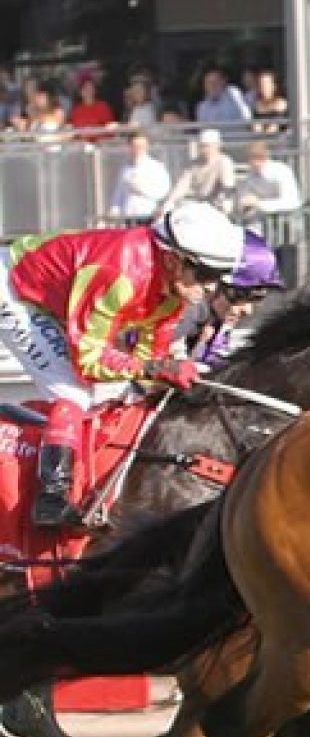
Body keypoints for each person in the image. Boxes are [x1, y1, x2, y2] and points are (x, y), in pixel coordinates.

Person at [0, 202, 245, 527]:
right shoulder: (120, 274)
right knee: (74, 390)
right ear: (173, 258)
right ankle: (51, 497)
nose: (212, 287)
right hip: (15, 289)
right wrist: (156, 370)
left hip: (58, 299)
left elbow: (149, 357)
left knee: (113, 394)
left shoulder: (175, 290)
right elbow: (90, 361)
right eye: (205, 274)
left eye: (219, 277)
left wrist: (167, 372)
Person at [187, 232, 283, 368]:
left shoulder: (215, 321)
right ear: (212, 280)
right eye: (242, 294)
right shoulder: (188, 315)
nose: (247, 310)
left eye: (258, 297)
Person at [164, 129, 239, 214]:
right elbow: (182, 185)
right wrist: (170, 201)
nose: (204, 150)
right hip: (200, 203)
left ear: (217, 146)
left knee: (226, 205)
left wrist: (221, 203)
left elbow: (228, 187)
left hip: (219, 204)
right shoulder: (194, 164)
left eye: (207, 146)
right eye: (202, 146)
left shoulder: (224, 161)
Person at [107, 130, 172, 221]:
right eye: (135, 146)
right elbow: (119, 193)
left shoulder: (156, 167)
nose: (138, 149)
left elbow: (163, 191)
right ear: (129, 147)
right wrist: (114, 210)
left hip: (148, 216)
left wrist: (141, 188)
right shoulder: (125, 168)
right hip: (128, 216)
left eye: (141, 146)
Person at [236, 140, 303, 218]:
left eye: (258, 158)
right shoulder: (250, 176)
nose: (254, 163)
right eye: (250, 160)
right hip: (264, 218)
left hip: (289, 216)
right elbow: (245, 199)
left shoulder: (281, 170)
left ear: (265, 158)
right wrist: (245, 203)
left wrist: (259, 203)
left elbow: (290, 202)